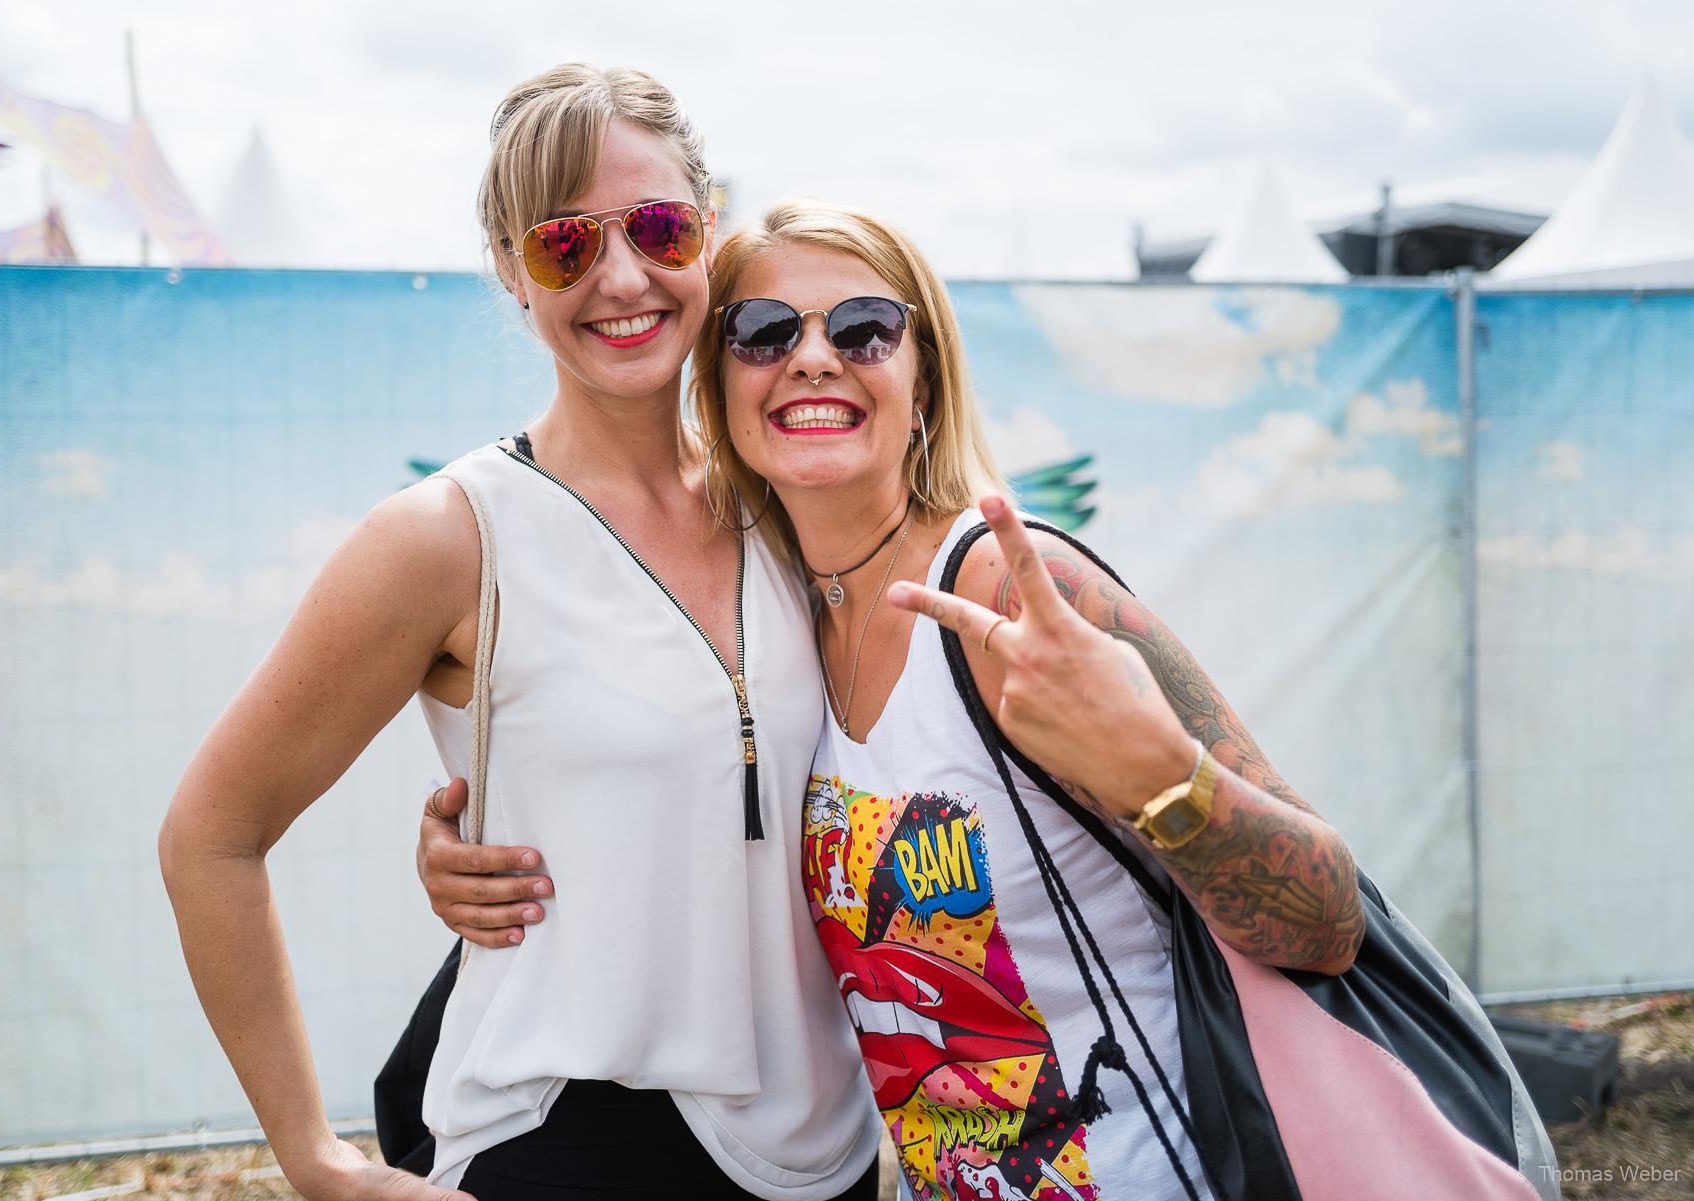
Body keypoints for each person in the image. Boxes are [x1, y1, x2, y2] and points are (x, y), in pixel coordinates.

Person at [419, 200, 1367, 1200]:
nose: (816, 358)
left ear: (924, 376)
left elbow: (1328, 919)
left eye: (864, 327)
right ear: (724, 385)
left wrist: (1160, 775)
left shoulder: (1015, 589)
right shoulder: (771, 617)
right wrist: (471, 851)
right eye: (764, 331)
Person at [159, 68, 883, 1201]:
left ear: (706, 231)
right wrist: (316, 1160)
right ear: (509, 267)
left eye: (656, 226)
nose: (623, 277)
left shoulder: (794, 494)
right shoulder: (448, 539)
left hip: (826, 1152)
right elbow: (209, 834)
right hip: (566, 1140)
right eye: (564, 246)